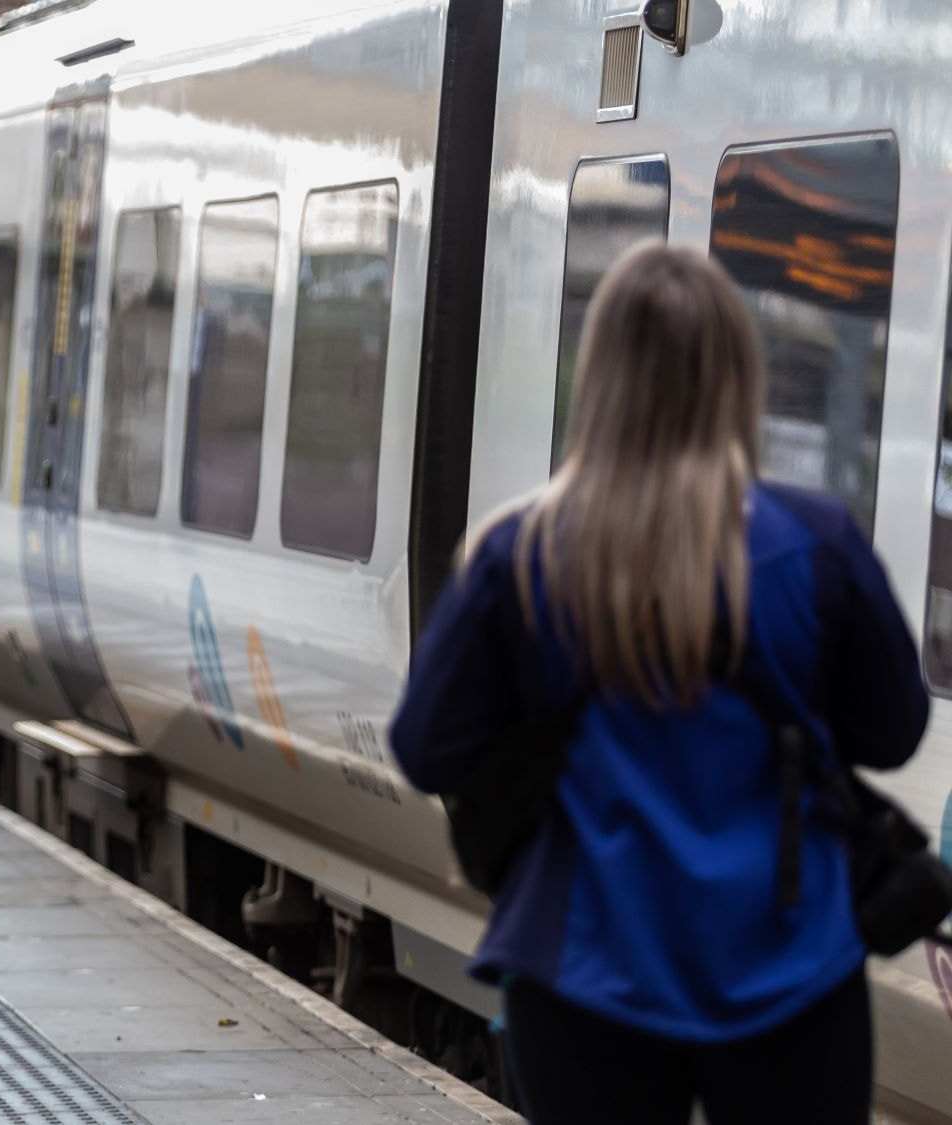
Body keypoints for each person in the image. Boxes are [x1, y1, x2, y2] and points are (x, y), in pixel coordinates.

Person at [390, 245, 928, 1125]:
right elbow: (893, 729)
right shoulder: (818, 544)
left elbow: (425, 746)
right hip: (793, 969)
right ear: (735, 376)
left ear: (597, 378)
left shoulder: (518, 553)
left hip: (582, 972)